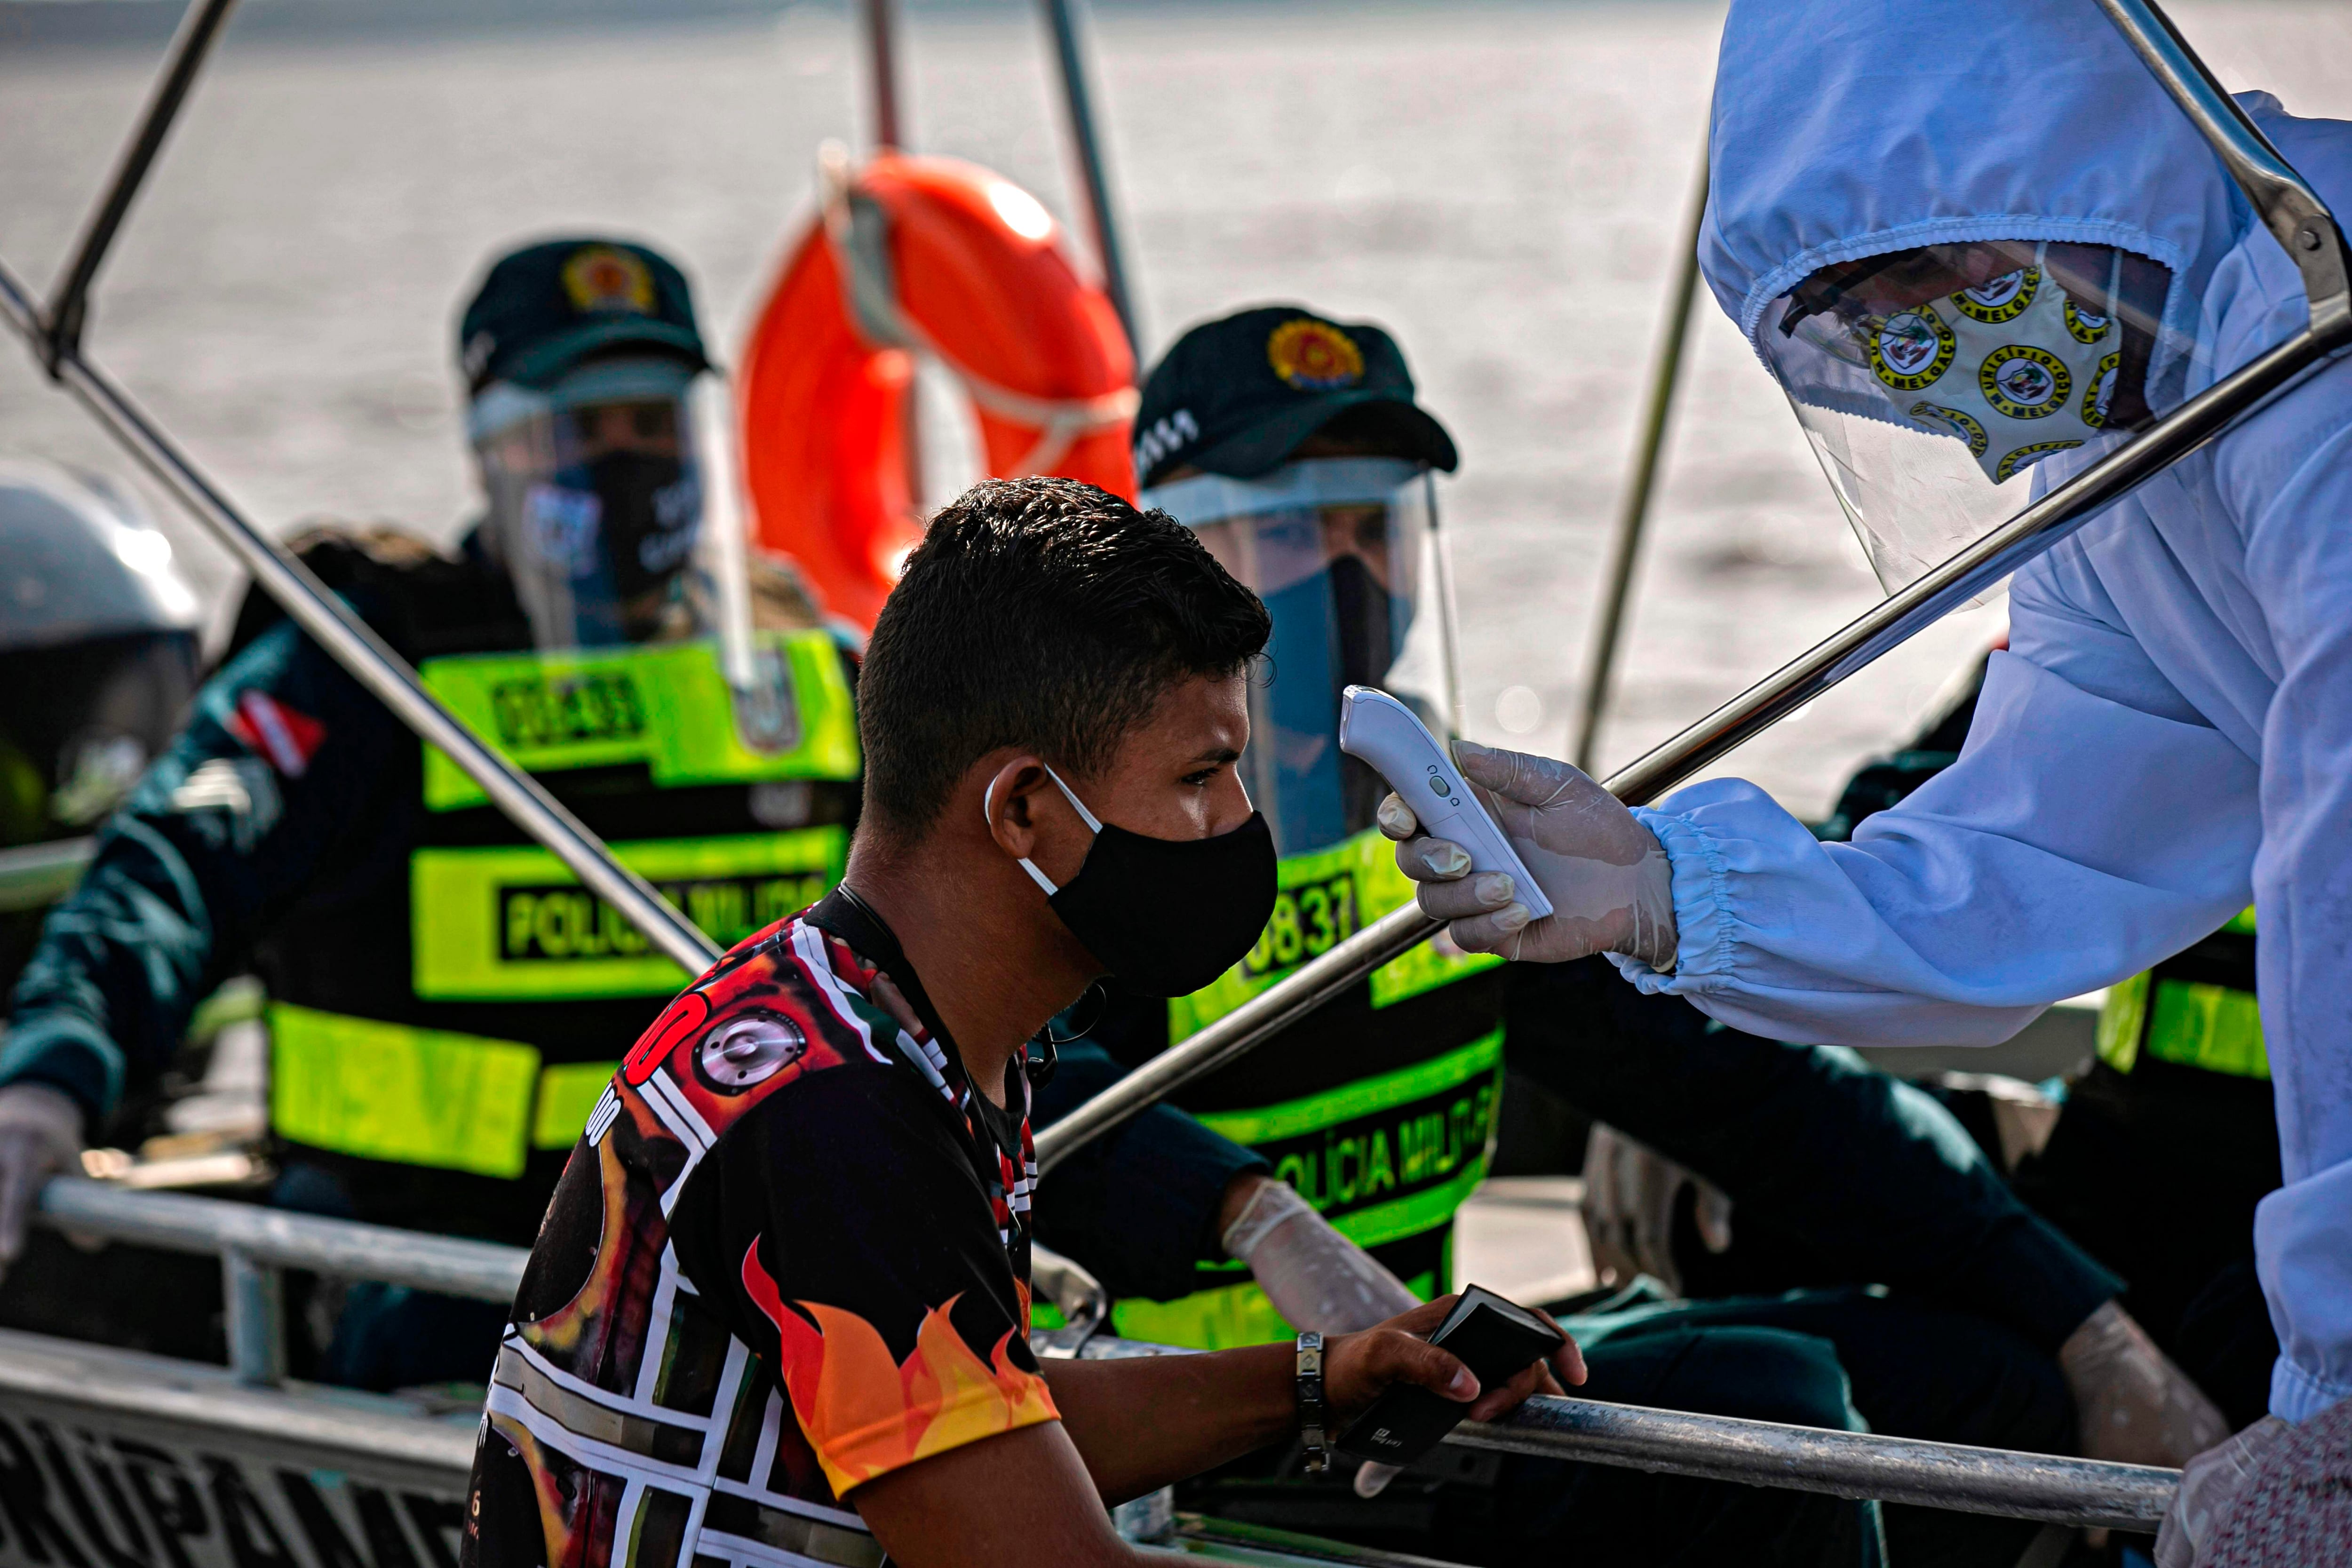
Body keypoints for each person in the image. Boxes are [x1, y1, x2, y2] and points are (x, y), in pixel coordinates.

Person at [1382, 1, 2352, 1559]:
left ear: (2068, 165)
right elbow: (2035, 849)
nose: (1911, 345)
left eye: (1927, 273)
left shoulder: (2322, 358)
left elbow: (2343, 859)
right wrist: (1665, 887)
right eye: (1857, 312)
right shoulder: (2131, 456)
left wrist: (2340, 1385)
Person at [458, 476, 1579, 1568]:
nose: (1240, 821)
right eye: (1202, 776)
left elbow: (985, 1422)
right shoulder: (839, 1117)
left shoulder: (850, 1009)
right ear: (1024, 809)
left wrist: (1321, 1379)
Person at [0, 238, 867, 1385]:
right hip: (430, 1277)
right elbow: (174, 866)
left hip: (751, 1257)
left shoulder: (815, 672)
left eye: (654, 424)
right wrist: (54, 1068)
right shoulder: (367, 670)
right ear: (493, 447)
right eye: (580, 429)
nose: (625, 462)